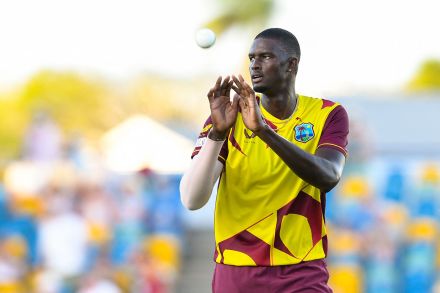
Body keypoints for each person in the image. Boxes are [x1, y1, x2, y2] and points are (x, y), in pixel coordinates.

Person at [180, 28, 349, 292]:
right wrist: (217, 134)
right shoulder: (228, 118)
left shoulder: (327, 114)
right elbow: (192, 199)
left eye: (265, 57)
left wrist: (263, 132)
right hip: (237, 269)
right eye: (251, 58)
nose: (254, 66)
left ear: (291, 64)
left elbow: (328, 176)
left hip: (301, 269)